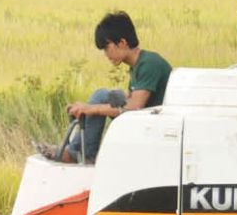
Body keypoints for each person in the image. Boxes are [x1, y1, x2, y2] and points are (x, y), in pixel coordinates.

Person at [38, 11, 172, 163]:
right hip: (147, 122)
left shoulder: (149, 63)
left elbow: (134, 107)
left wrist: (91, 108)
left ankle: (80, 154)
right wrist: (87, 107)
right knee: (103, 96)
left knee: (101, 96)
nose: (106, 54)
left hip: (157, 128)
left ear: (122, 43)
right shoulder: (138, 65)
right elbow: (132, 103)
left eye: (107, 48)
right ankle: (78, 152)